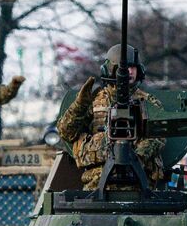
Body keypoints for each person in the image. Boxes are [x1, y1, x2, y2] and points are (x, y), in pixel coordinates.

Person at [57, 44, 167, 191]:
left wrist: (136, 156)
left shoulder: (148, 102)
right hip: (97, 183)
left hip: (139, 182)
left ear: (139, 70)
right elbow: (66, 132)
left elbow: (159, 134)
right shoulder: (93, 101)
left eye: (133, 67)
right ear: (110, 69)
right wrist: (80, 104)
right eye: (123, 67)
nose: (129, 71)